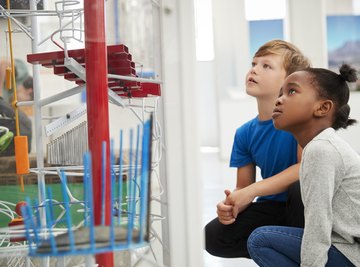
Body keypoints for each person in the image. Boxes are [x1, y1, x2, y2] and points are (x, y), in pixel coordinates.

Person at [205, 40, 311, 258]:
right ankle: (281, 251)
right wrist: (231, 206)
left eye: (266, 66)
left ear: (289, 81)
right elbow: (243, 187)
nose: (253, 69)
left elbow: (304, 168)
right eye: (254, 63)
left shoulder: (300, 121)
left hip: (306, 207)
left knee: (298, 188)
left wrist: (251, 192)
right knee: (213, 235)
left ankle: (301, 251)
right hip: (272, 208)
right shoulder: (244, 133)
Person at [247, 64, 359, 266]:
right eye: (280, 93)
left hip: (352, 254)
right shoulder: (320, 145)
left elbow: (318, 226)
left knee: (261, 240)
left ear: (323, 108)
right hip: (346, 247)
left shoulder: (321, 150)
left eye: (291, 91)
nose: (279, 99)